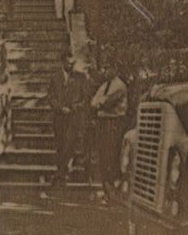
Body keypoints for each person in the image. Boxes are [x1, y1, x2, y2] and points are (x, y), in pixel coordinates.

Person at [48, 53, 87, 187]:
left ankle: (64, 173)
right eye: (68, 63)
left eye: (72, 63)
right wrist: (60, 108)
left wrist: (74, 107)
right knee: (60, 144)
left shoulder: (80, 78)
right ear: (62, 62)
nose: (70, 66)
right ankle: (61, 171)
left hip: (73, 118)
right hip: (59, 117)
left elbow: (85, 99)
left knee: (69, 144)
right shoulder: (55, 78)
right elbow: (51, 97)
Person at [89, 70, 128, 202]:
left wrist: (98, 103)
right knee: (103, 156)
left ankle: (112, 190)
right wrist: (97, 103)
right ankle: (107, 190)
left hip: (114, 122)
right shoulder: (105, 85)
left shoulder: (119, 85)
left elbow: (104, 102)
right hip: (103, 122)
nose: (106, 71)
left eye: (109, 67)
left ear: (115, 68)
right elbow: (93, 102)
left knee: (111, 154)